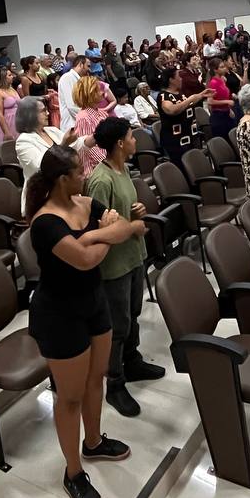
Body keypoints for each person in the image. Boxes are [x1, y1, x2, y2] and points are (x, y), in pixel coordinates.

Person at [25, 146, 135, 498]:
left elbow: (127, 227)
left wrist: (93, 236)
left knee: (95, 378)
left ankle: (94, 442)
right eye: (78, 171)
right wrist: (102, 236)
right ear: (62, 179)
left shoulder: (85, 203)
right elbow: (86, 260)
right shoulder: (45, 222)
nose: (85, 175)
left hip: (93, 303)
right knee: (70, 397)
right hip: (60, 314)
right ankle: (73, 472)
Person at [85, 116, 163, 417]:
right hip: (114, 264)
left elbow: (123, 211)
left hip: (133, 255)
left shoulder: (124, 170)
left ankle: (132, 362)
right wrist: (131, 227)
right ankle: (115, 383)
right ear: (119, 143)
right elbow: (97, 228)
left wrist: (137, 211)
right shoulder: (100, 180)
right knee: (117, 326)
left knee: (132, 314)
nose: (135, 140)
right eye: (131, 136)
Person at [157, 68, 211, 167]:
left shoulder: (180, 93)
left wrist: (201, 95)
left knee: (193, 167)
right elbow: (172, 110)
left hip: (190, 137)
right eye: (179, 76)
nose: (181, 79)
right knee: (183, 168)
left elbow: (187, 104)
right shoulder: (164, 96)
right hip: (176, 141)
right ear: (171, 80)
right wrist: (190, 99)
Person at [72, 76, 110, 179]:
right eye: (98, 90)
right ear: (89, 93)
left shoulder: (101, 113)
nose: (102, 92)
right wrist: (109, 162)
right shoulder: (83, 118)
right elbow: (89, 148)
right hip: (96, 172)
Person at [205, 56, 236, 140]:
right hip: (219, 116)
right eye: (221, 67)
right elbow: (210, 101)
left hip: (226, 113)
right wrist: (227, 102)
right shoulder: (213, 82)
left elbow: (222, 96)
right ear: (215, 70)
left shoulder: (222, 80)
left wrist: (229, 109)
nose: (224, 68)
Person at [0, 66, 20, 144]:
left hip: (17, 122)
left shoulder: (12, 89)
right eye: (9, 75)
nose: (12, 77)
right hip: (7, 123)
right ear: (3, 78)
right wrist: (6, 132)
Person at [58, 54, 89, 130]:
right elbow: (72, 106)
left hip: (81, 122)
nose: (89, 69)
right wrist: (88, 119)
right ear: (81, 65)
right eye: (88, 66)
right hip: (71, 124)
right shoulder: (67, 78)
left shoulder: (79, 79)